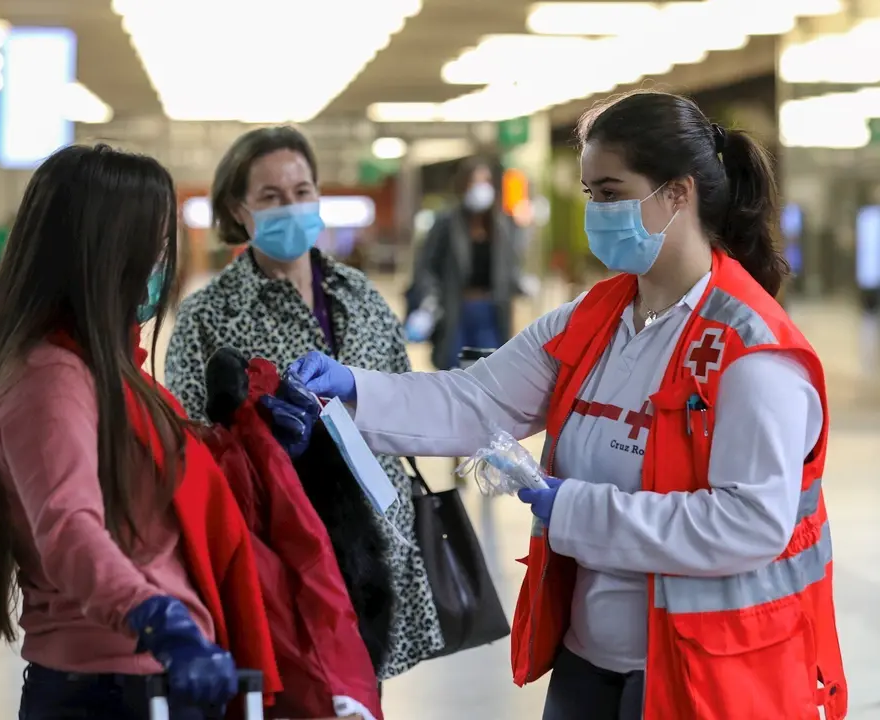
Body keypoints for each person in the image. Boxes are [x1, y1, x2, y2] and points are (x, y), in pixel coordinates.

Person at [284, 91, 848, 720]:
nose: (596, 212)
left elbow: (748, 524)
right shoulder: (595, 319)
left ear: (677, 194)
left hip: (704, 676)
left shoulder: (749, 352)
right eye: (589, 194)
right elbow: (476, 402)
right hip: (589, 663)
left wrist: (574, 508)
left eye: (611, 192)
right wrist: (356, 390)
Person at [0, 144, 275, 720]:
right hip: (110, 684)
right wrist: (155, 616)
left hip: (150, 673)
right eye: (152, 246)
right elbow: (68, 527)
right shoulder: (50, 377)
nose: (163, 263)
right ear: (103, 252)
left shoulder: (113, 370)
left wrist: (253, 439)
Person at [164, 125, 445, 679]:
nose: (290, 206)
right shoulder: (208, 316)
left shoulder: (359, 295)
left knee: (361, 697)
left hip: (373, 551)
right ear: (239, 211)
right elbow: (190, 445)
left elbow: (403, 397)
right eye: (270, 197)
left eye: (302, 191)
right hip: (276, 552)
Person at [405, 157, 526, 369]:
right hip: (456, 309)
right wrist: (428, 302)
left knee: (491, 370)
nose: (480, 188)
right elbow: (426, 267)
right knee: (454, 369)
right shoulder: (446, 223)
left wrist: (520, 283)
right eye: (474, 182)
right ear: (463, 186)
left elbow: (509, 266)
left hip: (491, 310)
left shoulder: (501, 225)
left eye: (485, 182)